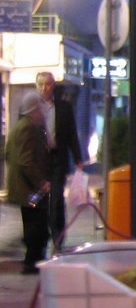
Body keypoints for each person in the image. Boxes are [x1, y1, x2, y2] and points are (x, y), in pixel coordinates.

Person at [36, 71, 84, 250]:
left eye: (47, 84)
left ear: (53, 85)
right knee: (38, 201)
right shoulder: (32, 107)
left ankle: (58, 238)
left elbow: (72, 134)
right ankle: (39, 238)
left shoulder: (64, 107)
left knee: (56, 201)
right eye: (40, 84)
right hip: (38, 160)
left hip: (57, 158)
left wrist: (78, 157)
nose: (44, 88)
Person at [5, 91, 52, 274]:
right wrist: (41, 182)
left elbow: (8, 154)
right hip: (30, 189)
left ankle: (32, 260)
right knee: (37, 226)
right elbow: (26, 161)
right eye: (40, 108)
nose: (43, 112)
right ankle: (33, 262)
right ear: (34, 109)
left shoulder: (19, 127)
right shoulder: (29, 128)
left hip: (24, 187)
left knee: (33, 224)